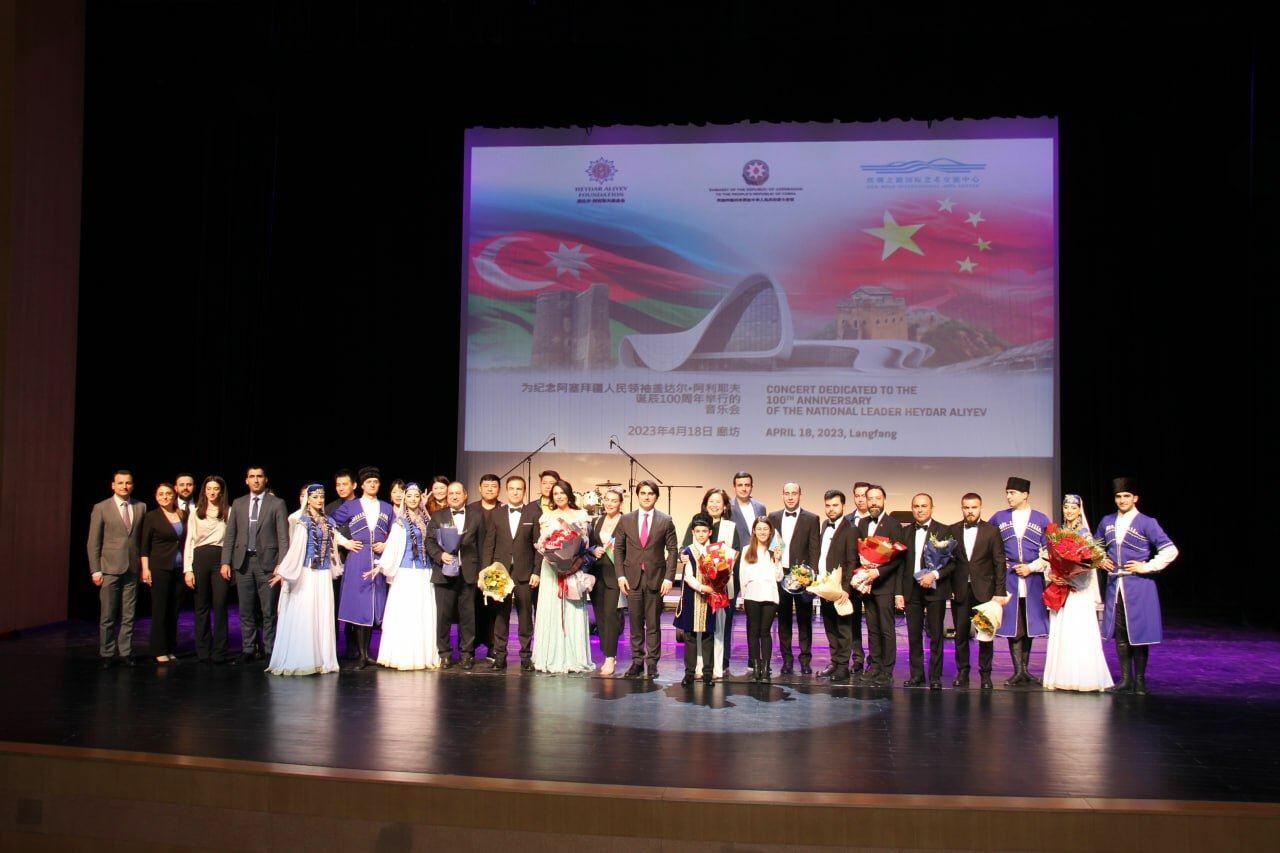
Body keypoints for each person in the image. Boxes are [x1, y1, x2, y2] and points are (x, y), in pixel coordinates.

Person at [1097, 477, 1178, 695]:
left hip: (1139, 586)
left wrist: (1147, 566)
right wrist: (1100, 559)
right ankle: (1125, 680)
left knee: (1139, 634)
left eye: (1126, 496)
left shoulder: (1147, 522)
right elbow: (1094, 546)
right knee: (1120, 634)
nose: (1122, 500)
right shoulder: (1107, 521)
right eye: (1118, 496)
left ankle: (1140, 681)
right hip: (1115, 585)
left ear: (1135, 498)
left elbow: (1170, 550)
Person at [266, 483, 341, 676]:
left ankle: (323, 659)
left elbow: (333, 545)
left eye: (321, 496)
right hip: (308, 572)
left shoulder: (329, 521)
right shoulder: (303, 522)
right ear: (308, 499)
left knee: (322, 613)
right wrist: (283, 572)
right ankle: (305, 657)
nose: (319, 500)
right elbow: (297, 549)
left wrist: (337, 558)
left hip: (323, 574)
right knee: (307, 612)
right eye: (315, 497)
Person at [1042, 495, 1113, 692]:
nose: (1069, 511)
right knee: (1062, 633)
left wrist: (1070, 579)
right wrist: (1052, 575)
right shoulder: (1058, 533)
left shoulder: (1084, 534)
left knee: (1078, 633)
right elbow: (1051, 559)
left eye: (1073, 508)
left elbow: (1088, 566)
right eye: (1066, 507)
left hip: (1078, 591)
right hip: (1061, 588)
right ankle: (1061, 677)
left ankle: (1084, 678)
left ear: (1079, 510)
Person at [221, 466, 291, 666]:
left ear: (265, 479)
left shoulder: (277, 503)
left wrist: (282, 564)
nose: (256, 480)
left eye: (259, 476)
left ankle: (270, 650)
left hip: (268, 564)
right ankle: (248, 649)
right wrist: (225, 561)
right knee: (245, 610)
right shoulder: (238, 503)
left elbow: (283, 537)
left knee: (268, 610)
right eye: (252, 476)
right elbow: (230, 535)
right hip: (243, 563)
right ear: (246, 480)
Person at [369, 483, 440, 671]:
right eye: (409, 496)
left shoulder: (427, 520)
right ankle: (404, 655)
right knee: (407, 613)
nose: (413, 499)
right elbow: (393, 547)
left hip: (425, 572)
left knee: (423, 613)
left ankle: (424, 655)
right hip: (407, 573)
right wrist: (381, 566)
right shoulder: (400, 523)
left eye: (416, 496)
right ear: (404, 499)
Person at [990, 476, 1051, 687]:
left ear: (1025, 494)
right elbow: (989, 545)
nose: (1008, 496)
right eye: (1007, 492)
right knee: (1013, 625)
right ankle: (1017, 670)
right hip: (1009, 578)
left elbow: (1049, 552)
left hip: (1033, 579)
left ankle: (1025, 670)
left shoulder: (1041, 519)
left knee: (1029, 623)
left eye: (1012, 493)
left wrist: (1031, 567)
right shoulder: (999, 518)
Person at [330, 467, 394, 669]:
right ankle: (362, 655)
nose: (372, 485)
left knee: (374, 605)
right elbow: (328, 524)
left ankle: (367, 653)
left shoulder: (387, 508)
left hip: (378, 560)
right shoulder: (351, 506)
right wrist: (345, 542)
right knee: (359, 606)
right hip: (358, 558)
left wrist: (386, 545)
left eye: (375, 482)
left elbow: (396, 532)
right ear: (362, 485)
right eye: (368, 482)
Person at [615, 480, 678, 680]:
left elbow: (673, 550)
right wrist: (620, 575)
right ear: (637, 495)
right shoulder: (626, 519)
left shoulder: (665, 520)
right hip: (632, 578)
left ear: (656, 497)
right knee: (634, 623)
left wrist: (669, 578)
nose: (646, 497)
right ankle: (637, 661)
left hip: (656, 579)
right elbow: (618, 549)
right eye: (643, 493)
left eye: (650, 493)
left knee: (652, 623)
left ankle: (652, 663)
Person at [531, 480, 595, 673]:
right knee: (551, 609)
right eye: (555, 493)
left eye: (562, 493)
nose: (559, 496)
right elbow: (542, 543)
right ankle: (550, 657)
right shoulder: (546, 517)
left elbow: (584, 542)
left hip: (573, 568)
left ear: (569, 494)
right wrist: (551, 555)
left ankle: (574, 658)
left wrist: (571, 558)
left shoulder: (580, 515)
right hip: (551, 569)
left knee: (572, 610)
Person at [87, 470, 146, 668]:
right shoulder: (101, 507)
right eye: (120, 483)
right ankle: (107, 653)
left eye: (128, 483)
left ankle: (125, 652)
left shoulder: (140, 506)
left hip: (132, 568)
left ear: (132, 485)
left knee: (129, 613)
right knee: (108, 614)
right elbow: (93, 542)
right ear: (113, 485)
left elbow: (140, 539)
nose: (124, 486)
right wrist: (96, 570)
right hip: (109, 568)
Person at [482, 475, 541, 672]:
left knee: (525, 615)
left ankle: (525, 656)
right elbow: (489, 544)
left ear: (524, 491)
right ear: (506, 491)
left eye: (519, 489)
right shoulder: (497, 514)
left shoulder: (533, 513)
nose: (515, 492)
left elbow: (538, 546)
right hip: (499, 571)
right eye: (512, 489)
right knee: (500, 615)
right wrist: (486, 572)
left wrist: (536, 571)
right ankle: (500, 656)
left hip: (525, 571)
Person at [949, 493, 1008, 690]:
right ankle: (962, 672)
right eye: (966, 507)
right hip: (960, 592)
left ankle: (985, 674)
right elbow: (948, 562)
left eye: (973, 507)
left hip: (983, 593)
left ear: (980, 507)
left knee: (985, 633)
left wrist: (999, 591)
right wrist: (949, 588)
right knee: (960, 634)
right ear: (962, 508)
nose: (970, 511)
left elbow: (999, 563)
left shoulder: (991, 531)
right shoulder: (953, 530)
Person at [681, 487, 741, 679]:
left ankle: (718, 666)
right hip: (697, 587)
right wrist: (683, 556)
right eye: (711, 501)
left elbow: (736, 554)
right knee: (697, 628)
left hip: (722, 586)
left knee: (720, 627)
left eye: (718, 502)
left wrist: (723, 574)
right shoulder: (697, 523)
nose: (714, 505)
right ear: (705, 504)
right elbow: (684, 549)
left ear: (725, 506)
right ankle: (698, 667)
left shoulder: (730, 527)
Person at [427, 481, 485, 669]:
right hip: (444, 572)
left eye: (457, 493)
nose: (454, 496)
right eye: (451, 493)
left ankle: (467, 653)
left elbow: (482, 545)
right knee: (443, 616)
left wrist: (481, 572)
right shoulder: (438, 516)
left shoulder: (477, 516)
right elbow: (429, 542)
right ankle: (444, 653)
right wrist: (439, 555)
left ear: (465, 495)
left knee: (468, 616)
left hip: (468, 572)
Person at [898, 493, 954, 689]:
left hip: (934, 589)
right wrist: (898, 593)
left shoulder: (944, 530)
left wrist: (934, 575)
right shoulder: (905, 532)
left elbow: (952, 563)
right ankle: (917, 675)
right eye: (916, 506)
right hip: (911, 589)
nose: (920, 510)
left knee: (936, 635)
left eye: (923, 506)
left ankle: (935, 677)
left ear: (932, 508)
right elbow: (900, 565)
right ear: (912, 509)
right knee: (913, 635)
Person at [856, 485, 907, 687]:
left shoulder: (894, 524)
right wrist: (863, 568)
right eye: (870, 499)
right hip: (867, 585)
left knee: (886, 629)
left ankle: (887, 669)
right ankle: (874, 665)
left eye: (877, 498)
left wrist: (878, 572)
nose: (873, 502)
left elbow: (898, 559)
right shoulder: (862, 523)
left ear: (884, 500)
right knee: (872, 628)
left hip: (885, 585)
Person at [768, 483, 819, 675]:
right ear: (782, 495)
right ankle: (787, 660)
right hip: (781, 573)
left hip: (802, 574)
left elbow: (814, 549)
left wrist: (811, 576)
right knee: (783, 619)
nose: (790, 497)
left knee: (805, 619)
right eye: (787, 493)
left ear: (800, 495)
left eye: (794, 493)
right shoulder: (773, 517)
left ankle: (805, 660)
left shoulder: (812, 519)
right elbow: (770, 546)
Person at [184, 476, 231, 665]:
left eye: (216, 488)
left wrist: (227, 562)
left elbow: (231, 540)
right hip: (200, 559)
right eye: (209, 488)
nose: (212, 492)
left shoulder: (228, 511)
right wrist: (188, 569)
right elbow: (190, 541)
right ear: (204, 490)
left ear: (221, 491)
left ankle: (220, 651)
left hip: (220, 559)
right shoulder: (195, 512)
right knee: (201, 606)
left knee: (220, 605)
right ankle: (203, 651)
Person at [140, 483, 186, 664]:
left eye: (168, 494)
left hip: (179, 569)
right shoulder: (152, 517)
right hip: (159, 568)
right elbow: (144, 546)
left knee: (174, 610)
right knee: (160, 610)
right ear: (156, 497)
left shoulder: (183, 514)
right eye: (161, 494)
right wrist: (145, 569)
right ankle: (159, 650)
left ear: (174, 496)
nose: (165, 497)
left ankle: (170, 647)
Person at [814, 489, 857, 683]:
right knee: (830, 626)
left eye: (835, 505)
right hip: (825, 586)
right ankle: (834, 662)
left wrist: (846, 589)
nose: (831, 509)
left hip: (840, 589)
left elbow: (852, 561)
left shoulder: (851, 529)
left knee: (843, 628)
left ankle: (843, 667)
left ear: (843, 506)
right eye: (828, 505)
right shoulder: (825, 524)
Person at [673, 513, 718, 687]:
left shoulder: (715, 551)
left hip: (709, 599)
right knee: (690, 636)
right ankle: (689, 674)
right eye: (698, 531)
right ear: (693, 532)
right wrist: (701, 587)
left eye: (704, 531)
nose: (701, 534)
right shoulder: (688, 551)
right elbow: (688, 576)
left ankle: (708, 674)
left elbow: (721, 572)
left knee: (708, 636)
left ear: (710, 532)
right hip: (692, 597)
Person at [728, 471, 766, 672]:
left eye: (747, 484)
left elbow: (764, 533)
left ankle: (754, 659)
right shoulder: (727, 507)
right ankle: (723, 660)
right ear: (734, 487)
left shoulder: (760, 506)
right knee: (728, 612)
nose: (744, 488)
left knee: (755, 614)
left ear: (752, 486)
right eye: (740, 485)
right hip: (734, 565)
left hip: (755, 565)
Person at [587, 487, 625, 675]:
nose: (610, 503)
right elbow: (589, 544)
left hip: (616, 575)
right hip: (597, 573)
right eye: (607, 500)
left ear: (620, 504)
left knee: (611, 616)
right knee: (600, 616)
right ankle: (607, 652)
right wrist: (593, 550)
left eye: (614, 500)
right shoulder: (597, 521)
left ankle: (610, 657)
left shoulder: (626, 522)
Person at [741, 516, 783, 683]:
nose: (762, 532)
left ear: (770, 531)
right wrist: (743, 597)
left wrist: (778, 559)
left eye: (765, 528)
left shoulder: (775, 550)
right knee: (753, 632)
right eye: (759, 528)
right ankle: (756, 669)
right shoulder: (747, 550)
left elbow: (779, 577)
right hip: (752, 595)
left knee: (765, 632)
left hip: (770, 596)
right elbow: (742, 576)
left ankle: (766, 670)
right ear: (754, 531)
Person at [470, 473, 503, 665]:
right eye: (486, 486)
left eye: (494, 486)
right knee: (472, 607)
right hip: (473, 565)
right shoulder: (471, 509)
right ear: (480, 488)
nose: (490, 489)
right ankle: (470, 647)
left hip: (495, 567)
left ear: (499, 489)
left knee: (494, 608)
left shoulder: (503, 510)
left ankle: (493, 646)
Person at [326, 469, 358, 660]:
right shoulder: (330, 508)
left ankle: (353, 644)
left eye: (345, 484)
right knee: (334, 603)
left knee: (353, 604)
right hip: (335, 561)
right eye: (338, 484)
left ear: (354, 485)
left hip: (355, 560)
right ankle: (332, 646)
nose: (341, 488)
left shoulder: (362, 506)